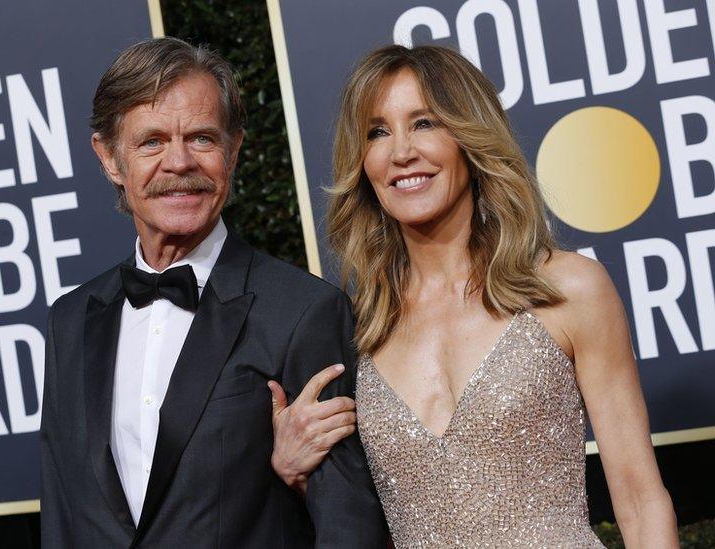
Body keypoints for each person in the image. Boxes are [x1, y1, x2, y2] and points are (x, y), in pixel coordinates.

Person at [267, 45, 678, 547]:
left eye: (424, 123)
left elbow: (639, 499)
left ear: (469, 137)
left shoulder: (568, 290)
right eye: (378, 131)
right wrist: (293, 472)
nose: (401, 152)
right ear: (363, 162)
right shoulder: (356, 330)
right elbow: (352, 516)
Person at [39, 37, 388, 548]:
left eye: (201, 138)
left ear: (234, 149)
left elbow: (347, 525)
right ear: (110, 159)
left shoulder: (301, 312)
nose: (179, 162)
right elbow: (63, 516)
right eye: (151, 142)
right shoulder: (70, 320)